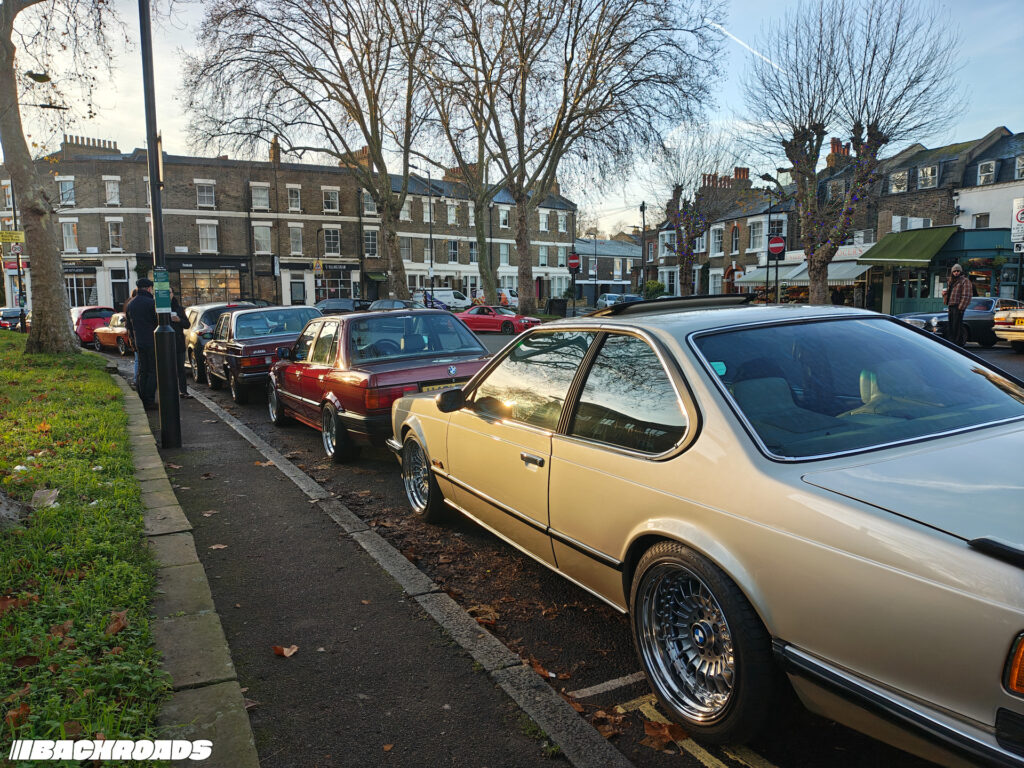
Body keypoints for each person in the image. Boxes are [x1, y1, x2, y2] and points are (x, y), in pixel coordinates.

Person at [127, 278, 158, 410]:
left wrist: (133, 340)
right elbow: (156, 322)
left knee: (142, 370)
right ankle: (149, 400)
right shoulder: (151, 303)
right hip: (151, 340)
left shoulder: (131, 304)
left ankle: (142, 398)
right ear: (149, 288)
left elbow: (129, 325)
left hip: (139, 341)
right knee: (152, 371)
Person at [169, 289, 192, 399]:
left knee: (181, 369)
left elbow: (187, 324)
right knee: (168, 369)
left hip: (178, 342)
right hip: (165, 344)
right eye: (166, 293)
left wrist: (179, 320)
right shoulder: (159, 309)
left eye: (170, 292)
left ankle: (183, 391)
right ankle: (170, 391)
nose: (168, 295)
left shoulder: (179, 308)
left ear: (173, 294)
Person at [944, 263, 971, 347]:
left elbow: (967, 295)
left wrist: (960, 308)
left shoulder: (965, 281)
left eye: (958, 271)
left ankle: (957, 343)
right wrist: (944, 296)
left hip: (957, 306)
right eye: (954, 271)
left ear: (960, 271)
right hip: (951, 305)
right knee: (951, 325)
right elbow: (949, 293)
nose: (956, 273)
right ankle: (951, 342)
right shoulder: (951, 281)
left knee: (957, 325)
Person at [123, 288, 139, 390]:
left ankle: (136, 379)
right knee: (138, 360)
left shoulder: (128, 304)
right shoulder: (134, 305)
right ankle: (136, 379)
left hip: (132, 337)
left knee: (137, 359)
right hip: (137, 336)